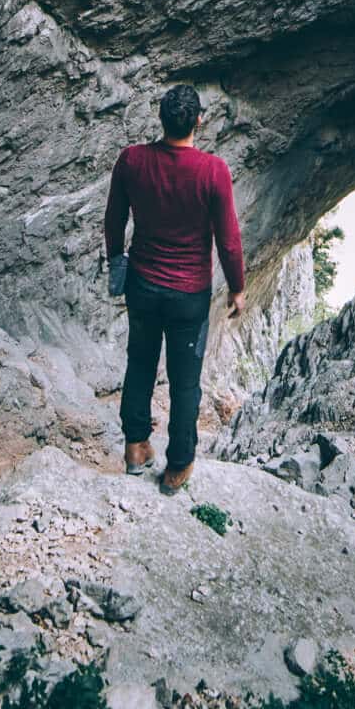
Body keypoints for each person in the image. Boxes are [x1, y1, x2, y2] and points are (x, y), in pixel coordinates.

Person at [103, 83, 245, 492]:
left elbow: (114, 221)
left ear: (161, 118)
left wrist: (117, 262)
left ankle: (135, 445)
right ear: (199, 120)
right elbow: (229, 240)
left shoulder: (132, 160)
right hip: (189, 296)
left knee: (140, 363)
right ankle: (178, 465)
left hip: (143, 285)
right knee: (185, 382)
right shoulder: (213, 171)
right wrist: (237, 288)